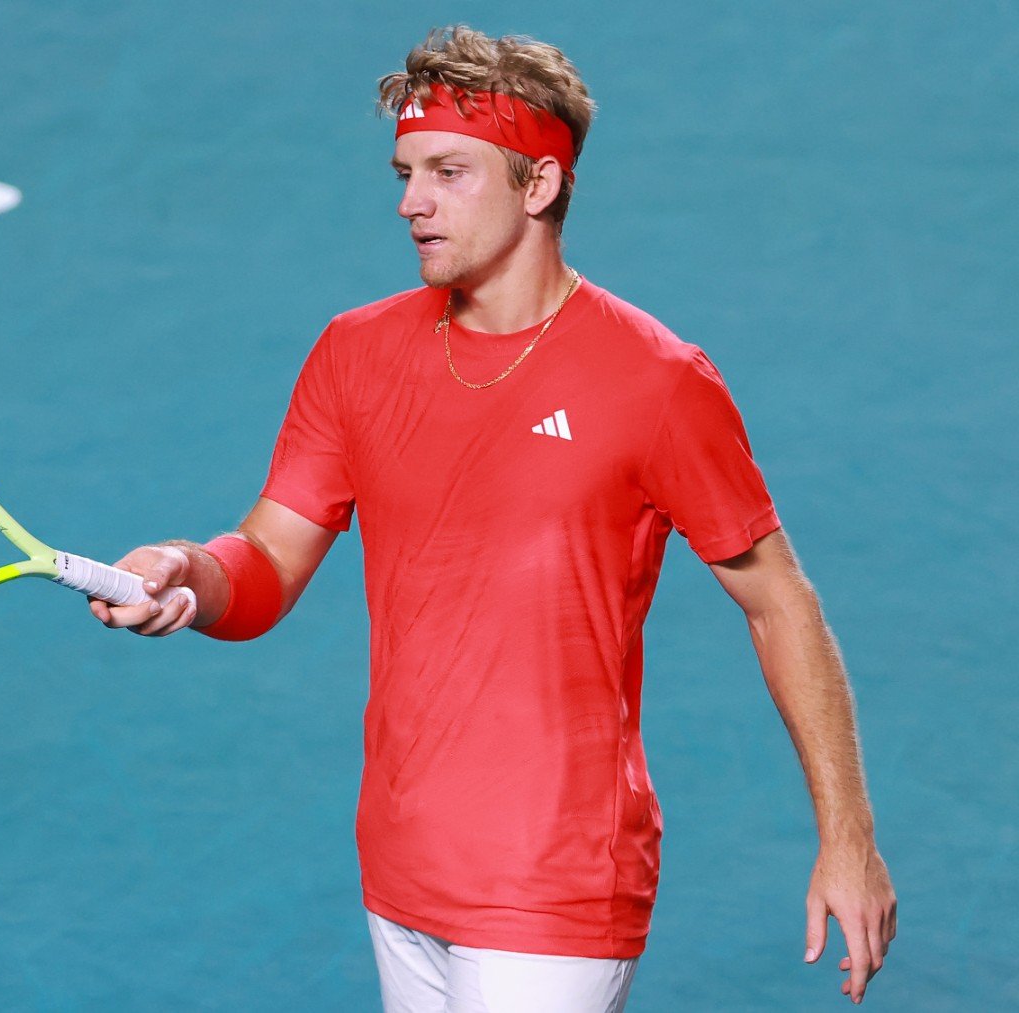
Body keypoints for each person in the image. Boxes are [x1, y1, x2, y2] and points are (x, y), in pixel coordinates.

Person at [87, 25, 897, 1012]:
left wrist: (847, 838)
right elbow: (265, 558)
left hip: (553, 881)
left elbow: (779, 599)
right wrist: (185, 570)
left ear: (540, 185)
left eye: (449, 171)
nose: (410, 200)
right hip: (399, 865)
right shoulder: (355, 353)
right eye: (406, 171)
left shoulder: (656, 382)